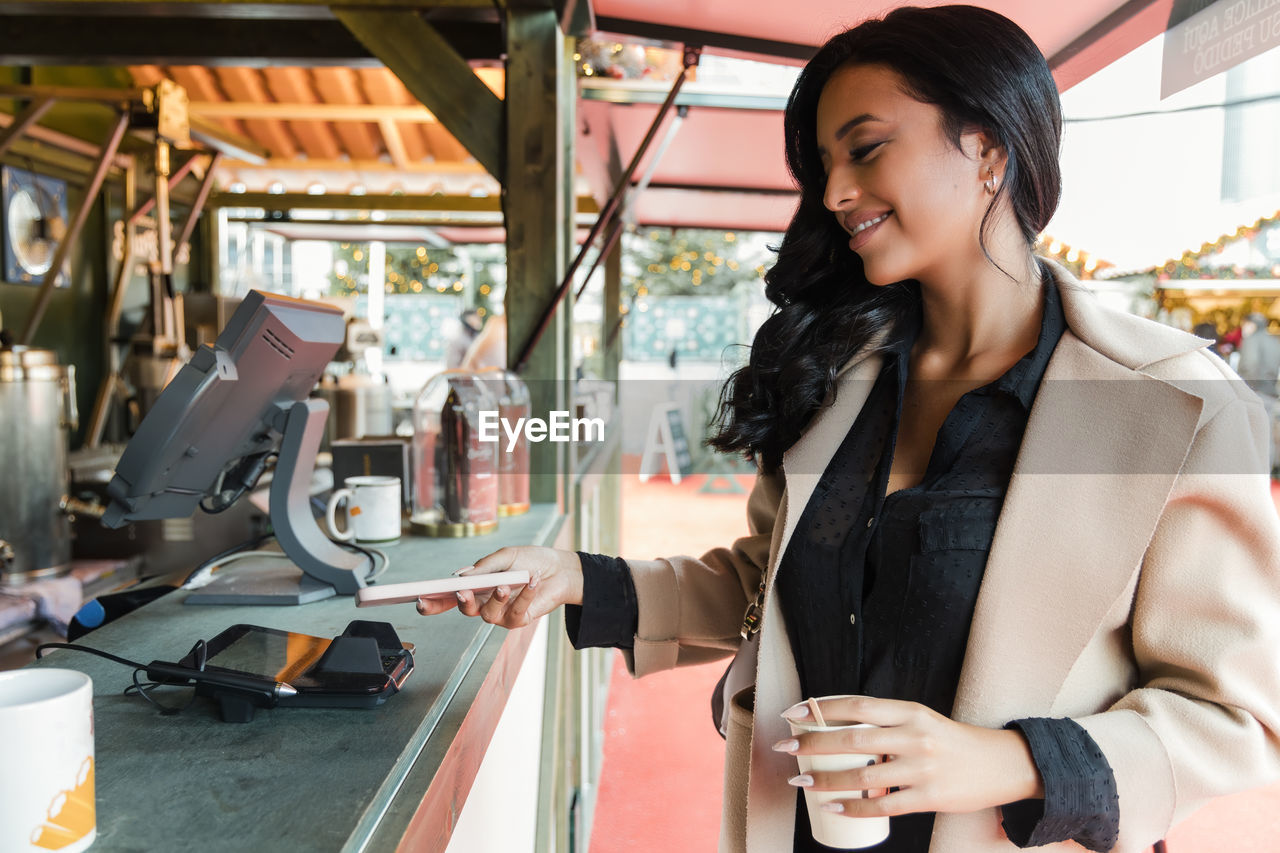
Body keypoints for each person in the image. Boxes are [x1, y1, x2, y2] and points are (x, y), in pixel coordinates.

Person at [414, 7, 1280, 852]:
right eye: (824, 165)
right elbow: (767, 585)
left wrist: (1004, 760)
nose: (832, 192)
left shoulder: (1172, 404)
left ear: (987, 147)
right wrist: (571, 576)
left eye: (865, 149)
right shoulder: (834, 376)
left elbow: (1238, 717)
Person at [1236, 312, 1280, 473]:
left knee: (1249, 434)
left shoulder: (1251, 340)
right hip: (1270, 393)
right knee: (1266, 434)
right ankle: (1265, 472)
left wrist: (1244, 389)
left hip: (1254, 392)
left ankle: (1250, 473)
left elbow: (1249, 364)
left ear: (1251, 324)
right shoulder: (1274, 342)